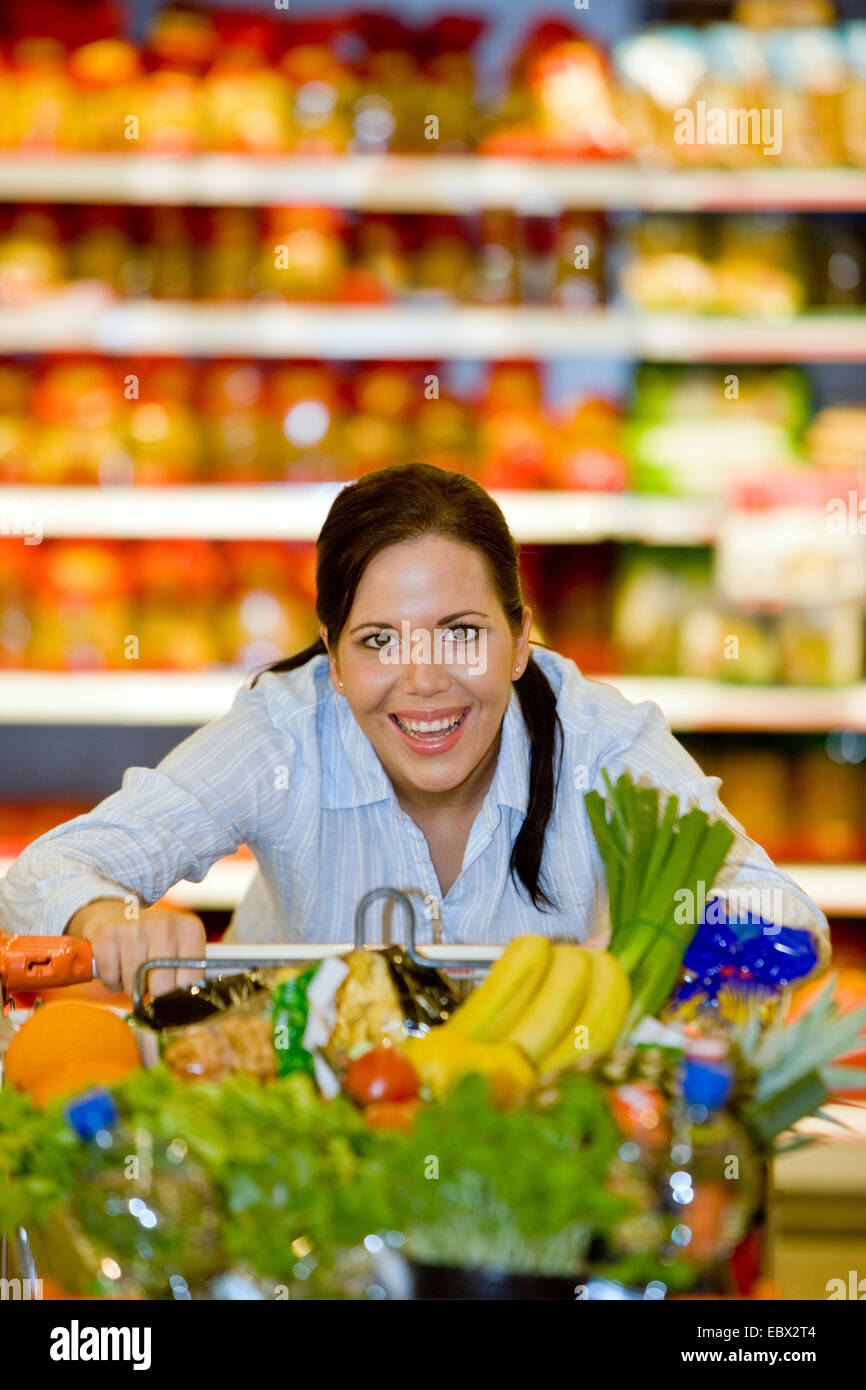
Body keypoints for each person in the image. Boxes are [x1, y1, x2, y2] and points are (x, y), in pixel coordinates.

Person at [0, 463, 829, 997]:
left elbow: (787, 916)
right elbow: (46, 868)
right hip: (303, 1110)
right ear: (331, 655)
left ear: (521, 640)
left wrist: (670, 939)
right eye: (378, 641)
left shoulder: (602, 745)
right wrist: (107, 920)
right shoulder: (288, 731)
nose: (423, 679)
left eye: (462, 631)